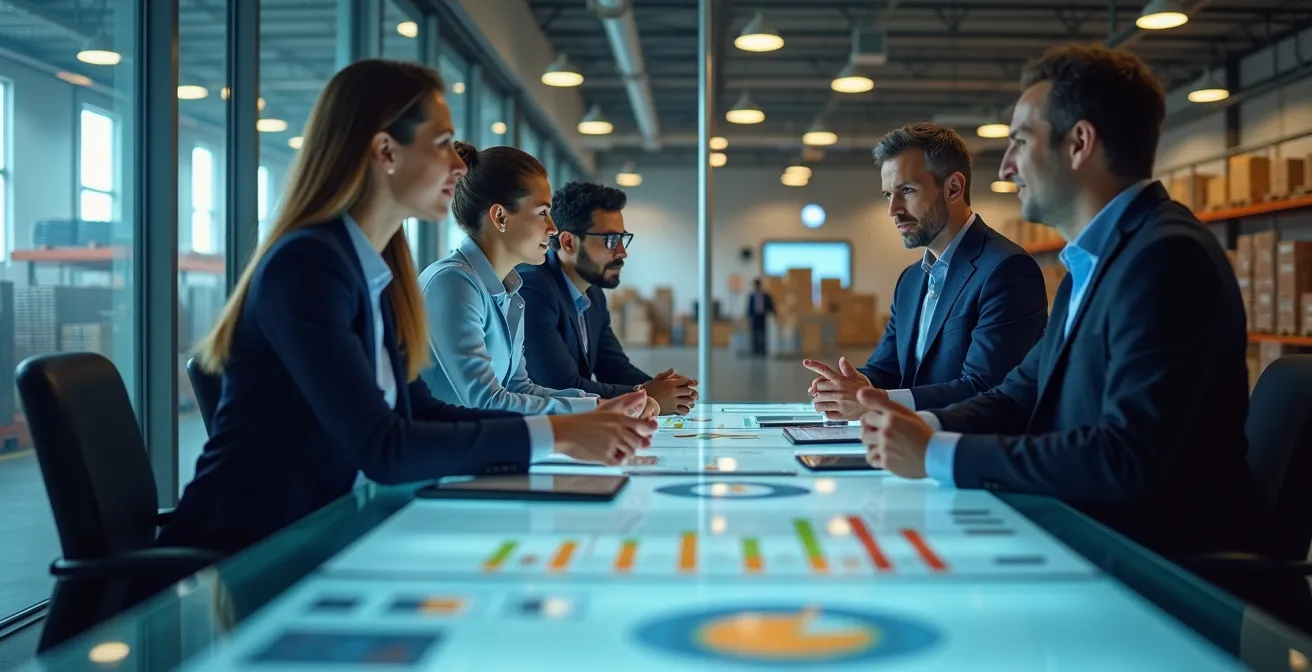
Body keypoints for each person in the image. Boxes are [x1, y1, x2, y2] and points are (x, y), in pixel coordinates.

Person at [158, 60, 656, 554]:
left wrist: (575, 423)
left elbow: (421, 411)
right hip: (247, 559)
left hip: (334, 533)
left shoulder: (372, 270)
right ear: (386, 152)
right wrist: (559, 434)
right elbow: (384, 449)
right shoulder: (307, 267)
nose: (459, 166)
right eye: (441, 144)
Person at [856, 44, 1252, 555]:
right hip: (1083, 528)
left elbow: (1125, 456)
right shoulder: (1095, 261)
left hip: (1147, 566)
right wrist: (920, 425)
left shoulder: (1165, 258)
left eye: (1019, 141)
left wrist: (938, 454)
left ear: (1079, 143)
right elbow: (1019, 393)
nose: (1005, 169)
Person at [805, 123, 1048, 419]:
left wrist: (874, 401)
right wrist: (856, 385)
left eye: (906, 190)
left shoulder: (1006, 270)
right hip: (910, 448)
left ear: (953, 188)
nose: (893, 209)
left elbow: (986, 388)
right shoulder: (910, 280)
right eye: (887, 195)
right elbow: (887, 367)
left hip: (970, 453)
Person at [418, 147, 658, 420]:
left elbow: (520, 387)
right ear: (500, 217)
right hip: (444, 455)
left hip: (478, 449)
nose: (553, 228)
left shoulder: (510, 291)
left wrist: (602, 404)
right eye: (543, 212)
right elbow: (485, 401)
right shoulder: (452, 283)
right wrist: (597, 408)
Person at [519, 181, 699, 414]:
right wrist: (646, 396)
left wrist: (668, 389)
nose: (622, 252)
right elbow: (562, 387)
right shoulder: (535, 290)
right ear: (568, 242)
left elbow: (612, 366)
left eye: (623, 238)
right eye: (611, 240)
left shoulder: (593, 292)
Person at [745, 278, 775, 356]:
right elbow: (749, 307)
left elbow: (770, 305)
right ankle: (755, 350)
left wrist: (773, 313)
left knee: (763, 333)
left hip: (762, 316)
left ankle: (762, 350)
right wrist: (748, 316)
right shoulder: (752, 295)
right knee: (754, 334)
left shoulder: (765, 295)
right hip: (754, 316)